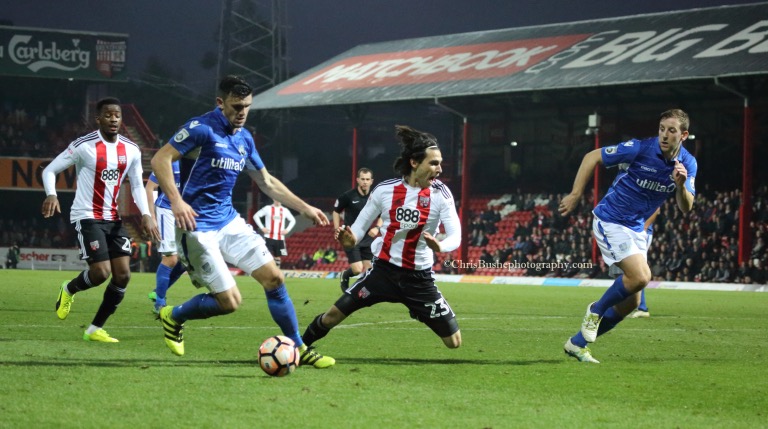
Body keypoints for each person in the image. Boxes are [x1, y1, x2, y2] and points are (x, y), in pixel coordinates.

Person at [150, 75, 334, 368]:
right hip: (197, 227)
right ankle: (174, 315)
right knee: (230, 302)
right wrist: (176, 200)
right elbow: (160, 159)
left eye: (247, 106)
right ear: (220, 103)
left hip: (228, 221)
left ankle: (299, 347)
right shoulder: (200, 129)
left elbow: (267, 182)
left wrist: (305, 208)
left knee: (274, 278)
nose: (242, 112)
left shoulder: (244, 139)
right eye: (236, 106)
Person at [301, 125, 463, 357]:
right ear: (414, 163)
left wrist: (441, 246)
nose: (440, 169)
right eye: (434, 163)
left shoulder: (441, 194)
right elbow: (357, 232)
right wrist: (348, 240)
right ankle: (298, 348)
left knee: (454, 342)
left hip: (418, 279)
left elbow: (455, 235)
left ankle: (417, 310)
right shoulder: (385, 190)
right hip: (383, 273)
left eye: (440, 163)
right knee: (332, 316)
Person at [559, 108, 697, 363]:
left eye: (671, 131)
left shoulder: (688, 164)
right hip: (611, 220)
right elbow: (592, 157)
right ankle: (595, 310)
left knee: (630, 303)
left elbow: (686, 207)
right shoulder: (640, 148)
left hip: (636, 228)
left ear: (684, 135)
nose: (664, 135)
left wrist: (680, 185)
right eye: (662, 129)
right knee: (641, 276)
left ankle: (577, 344)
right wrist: (576, 194)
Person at [41, 97, 159, 343]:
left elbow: (137, 185)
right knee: (101, 273)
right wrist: (52, 194)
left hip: (113, 218)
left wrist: (147, 214)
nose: (113, 119)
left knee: (123, 275)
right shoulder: (84, 146)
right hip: (87, 216)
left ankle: (94, 329)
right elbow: (49, 170)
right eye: (108, 115)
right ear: (98, 119)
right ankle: (69, 289)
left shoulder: (131, 149)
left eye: (117, 115)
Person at [144, 162, 188, 314]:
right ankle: (160, 303)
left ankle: (158, 291)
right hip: (167, 210)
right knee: (170, 258)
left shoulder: (201, 162)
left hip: (186, 211)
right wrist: (152, 216)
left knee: (185, 261)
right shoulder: (170, 162)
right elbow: (150, 187)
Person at [333, 167, 380, 292]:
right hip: (351, 237)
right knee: (357, 270)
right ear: (357, 180)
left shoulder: (375, 198)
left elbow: (383, 215)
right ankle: (345, 275)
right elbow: (336, 211)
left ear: (371, 181)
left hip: (367, 237)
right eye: (362, 179)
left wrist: (377, 227)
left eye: (367, 179)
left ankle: (360, 292)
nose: (365, 182)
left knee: (370, 270)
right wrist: (336, 228)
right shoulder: (348, 196)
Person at [252, 200, 295, 267]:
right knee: (265, 255)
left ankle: (277, 270)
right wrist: (262, 228)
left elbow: (293, 220)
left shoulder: (285, 210)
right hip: (269, 237)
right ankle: (267, 270)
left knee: (278, 256)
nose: (278, 200)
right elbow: (255, 216)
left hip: (280, 238)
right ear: (273, 199)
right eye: (277, 198)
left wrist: (287, 230)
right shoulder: (267, 208)